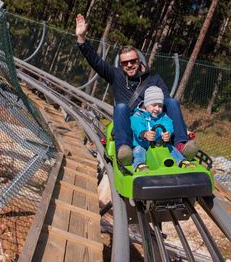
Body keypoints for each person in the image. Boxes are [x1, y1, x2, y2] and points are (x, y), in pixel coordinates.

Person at [75, 14, 198, 165]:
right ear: (121, 64)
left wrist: (182, 127)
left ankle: (181, 144)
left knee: (171, 102)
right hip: (132, 122)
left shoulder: (154, 80)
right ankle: (124, 149)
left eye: (132, 61)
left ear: (139, 61)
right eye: (125, 63)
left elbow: (165, 102)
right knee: (121, 107)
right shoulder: (117, 75)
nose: (129, 65)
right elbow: (96, 62)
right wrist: (81, 39)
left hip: (153, 119)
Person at [131, 86, 195, 172]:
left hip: (158, 144)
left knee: (171, 148)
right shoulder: (138, 115)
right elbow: (136, 124)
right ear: (146, 104)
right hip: (142, 144)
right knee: (138, 151)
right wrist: (144, 133)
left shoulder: (163, 116)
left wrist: (167, 133)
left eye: (160, 106)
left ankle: (182, 161)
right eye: (154, 105)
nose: (157, 109)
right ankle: (139, 164)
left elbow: (168, 124)